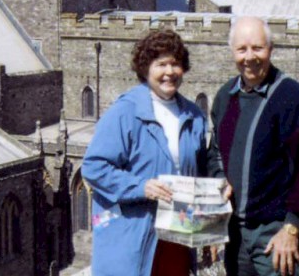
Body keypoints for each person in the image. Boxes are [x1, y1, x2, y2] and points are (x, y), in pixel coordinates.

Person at [82, 30, 220, 276]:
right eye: (161, 64)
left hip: (176, 237)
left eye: (175, 64)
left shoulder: (194, 116)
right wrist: (141, 187)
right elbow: (93, 167)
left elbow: (197, 177)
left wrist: (207, 229)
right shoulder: (125, 112)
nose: (169, 72)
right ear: (146, 69)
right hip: (131, 238)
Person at [207, 16, 299, 276]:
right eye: (242, 49)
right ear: (233, 52)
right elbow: (215, 152)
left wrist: (292, 227)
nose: (250, 57)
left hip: (276, 235)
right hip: (236, 235)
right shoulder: (225, 97)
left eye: (257, 48)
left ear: (270, 49)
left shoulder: (292, 98)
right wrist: (220, 181)